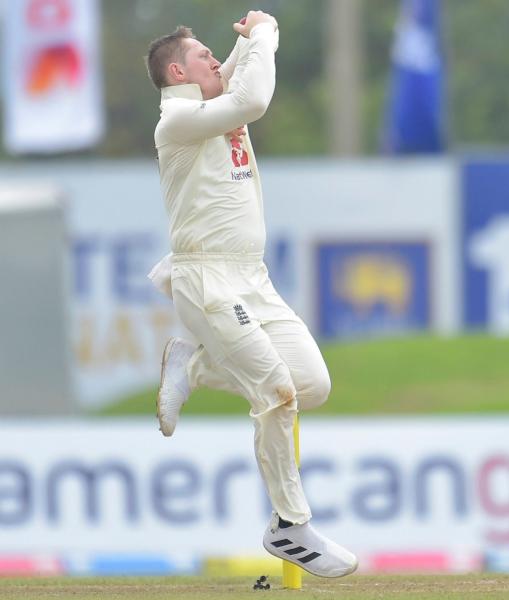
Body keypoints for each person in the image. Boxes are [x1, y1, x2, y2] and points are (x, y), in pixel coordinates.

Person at [145, 11, 358, 578]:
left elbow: (238, 78)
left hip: (251, 277)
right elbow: (253, 99)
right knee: (276, 391)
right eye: (203, 56)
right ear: (176, 71)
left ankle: (195, 367)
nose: (217, 60)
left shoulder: (209, 100)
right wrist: (264, 32)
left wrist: (252, 41)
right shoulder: (181, 119)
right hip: (207, 276)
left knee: (311, 385)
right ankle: (290, 525)